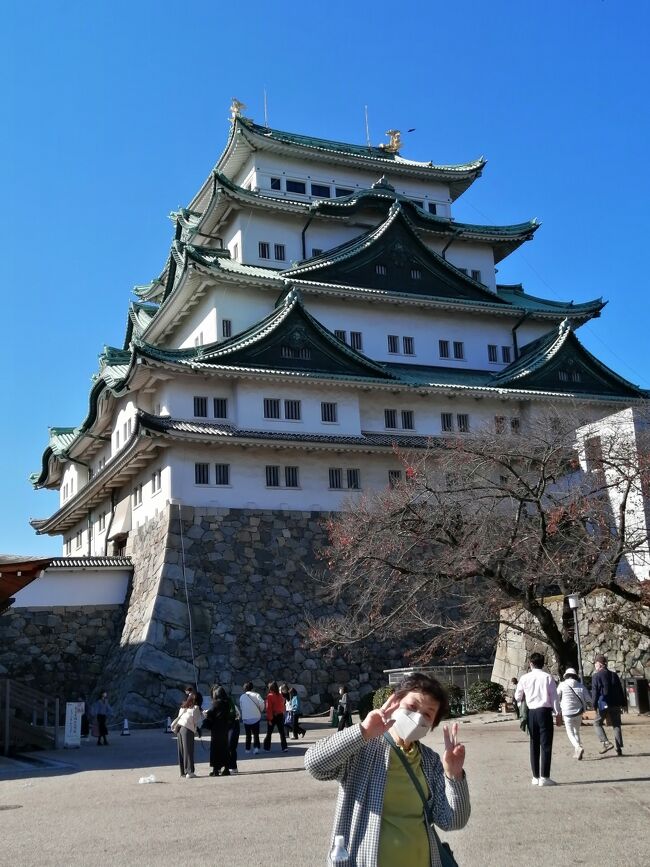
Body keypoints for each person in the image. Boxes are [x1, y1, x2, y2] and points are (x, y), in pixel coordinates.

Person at [305, 672, 470, 867]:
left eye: (427, 714)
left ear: (432, 724)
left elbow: (452, 821)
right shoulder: (363, 748)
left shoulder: (430, 760)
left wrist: (454, 775)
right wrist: (363, 731)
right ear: (395, 701)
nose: (418, 718)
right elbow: (315, 764)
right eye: (412, 706)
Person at [514, 652, 560, 786]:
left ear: (531, 663)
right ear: (543, 663)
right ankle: (544, 777)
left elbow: (518, 696)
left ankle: (535, 776)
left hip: (531, 712)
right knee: (546, 744)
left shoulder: (525, 678)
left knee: (533, 744)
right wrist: (558, 713)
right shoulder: (548, 677)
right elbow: (554, 697)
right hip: (544, 711)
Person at [592, 654, 627, 756]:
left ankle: (606, 742)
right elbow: (620, 690)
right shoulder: (614, 675)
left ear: (599, 664)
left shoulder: (596, 676)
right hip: (616, 704)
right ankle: (618, 748)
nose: (595, 665)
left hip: (604, 703)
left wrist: (594, 705)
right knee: (616, 725)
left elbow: (595, 692)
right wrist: (623, 704)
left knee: (597, 723)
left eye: (595, 663)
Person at [556, 668, 590, 759]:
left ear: (566, 676)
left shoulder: (562, 685)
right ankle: (577, 752)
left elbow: (557, 697)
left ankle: (578, 747)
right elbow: (588, 698)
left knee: (570, 732)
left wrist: (557, 709)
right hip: (579, 711)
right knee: (576, 731)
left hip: (567, 712)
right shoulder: (580, 685)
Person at [175, 688, 203, 778]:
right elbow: (197, 722)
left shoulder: (184, 706)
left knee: (182, 751)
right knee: (189, 750)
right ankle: (190, 772)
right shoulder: (196, 708)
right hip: (187, 729)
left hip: (179, 729)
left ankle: (183, 772)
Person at [204, 686, 231, 776]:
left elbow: (210, 714)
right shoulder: (227, 703)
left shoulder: (216, 703)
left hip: (216, 730)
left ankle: (216, 769)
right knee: (224, 749)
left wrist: (205, 714)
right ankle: (226, 768)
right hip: (225, 728)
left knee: (216, 749)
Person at [239, 681, 265, 753]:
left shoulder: (242, 697)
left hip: (246, 718)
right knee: (256, 734)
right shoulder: (257, 695)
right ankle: (256, 748)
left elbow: (241, 707)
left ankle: (247, 749)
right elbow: (262, 704)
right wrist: (260, 710)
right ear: (252, 688)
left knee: (248, 735)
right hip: (256, 717)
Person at [263, 681, 288, 752]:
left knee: (269, 733)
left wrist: (269, 719)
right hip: (280, 715)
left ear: (270, 688)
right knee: (282, 732)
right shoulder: (280, 695)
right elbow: (282, 705)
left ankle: (267, 747)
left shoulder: (269, 696)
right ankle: (284, 747)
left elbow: (268, 708)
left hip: (273, 715)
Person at [227, 691, 240, 774]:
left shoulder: (229, 706)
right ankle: (232, 767)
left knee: (231, 748)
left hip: (232, 727)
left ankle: (233, 767)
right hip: (234, 727)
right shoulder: (233, 706)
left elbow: (238, 715)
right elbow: (239, 715)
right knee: (231, 748)